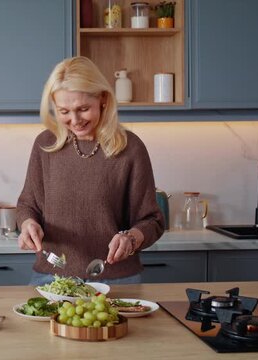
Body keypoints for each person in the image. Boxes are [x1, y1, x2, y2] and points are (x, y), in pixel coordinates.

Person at [16, 56, 164, 286]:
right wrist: (28, 224)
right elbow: (28, 205)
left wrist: (131, 239)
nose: (74, 120)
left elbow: (152, 220)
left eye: (83, 109)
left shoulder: (130, 148)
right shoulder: (45, 144)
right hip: (51, 277)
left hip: (116, 279)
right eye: (64, 111)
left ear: (103, 99)